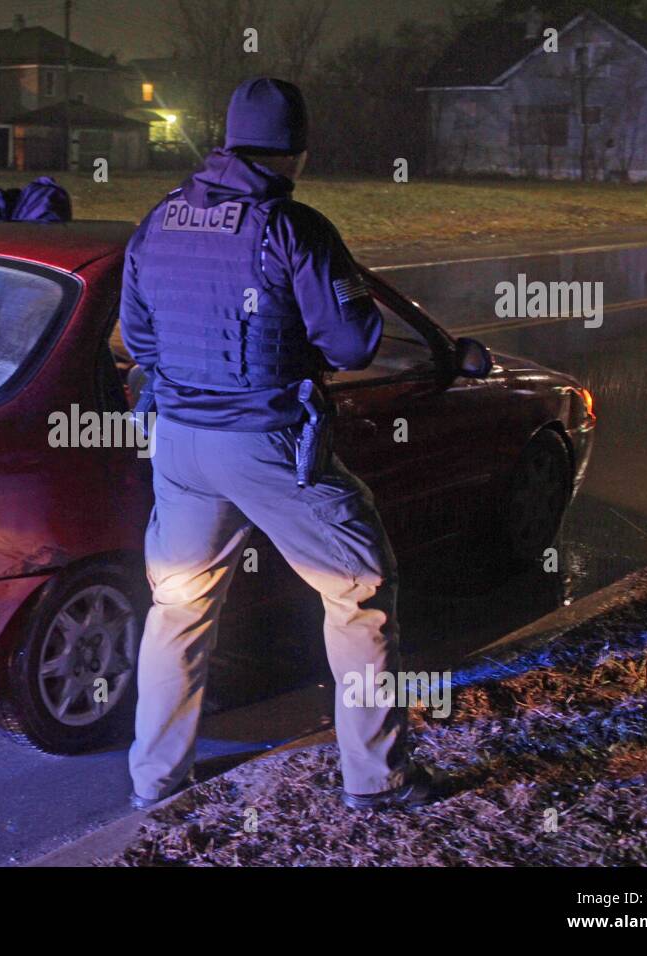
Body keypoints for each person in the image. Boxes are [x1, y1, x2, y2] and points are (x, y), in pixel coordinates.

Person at [120, 77, 439, 812]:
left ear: (228, 140)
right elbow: (355, 343)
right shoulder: (294, 227)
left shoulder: (160, 219)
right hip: (265, 442)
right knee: (361, 595)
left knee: (178, 608)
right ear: (297, 150)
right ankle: (377, 777)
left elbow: (141, 340)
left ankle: (155, 784)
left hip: (180, 445)